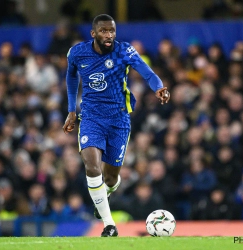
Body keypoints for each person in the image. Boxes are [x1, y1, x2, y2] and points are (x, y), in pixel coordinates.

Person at [62, 14, 170, 237]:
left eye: (112, 31)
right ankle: (109, 225)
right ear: (93, 34)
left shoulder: (124, 51)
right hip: (91, 118)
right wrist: (72, 110)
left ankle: (106, 191)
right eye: (103, 31)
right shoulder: (77, 53)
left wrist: (158, 87)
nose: (109, 35)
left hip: (119, 119)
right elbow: (71, 77)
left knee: (109, 178)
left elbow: (147, 72)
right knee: (92, 167)